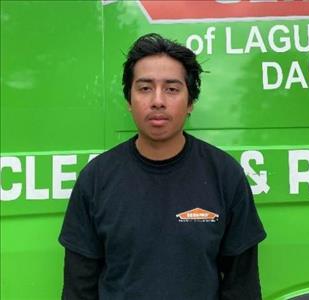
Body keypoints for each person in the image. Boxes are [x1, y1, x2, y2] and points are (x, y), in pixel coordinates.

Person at [59, 33, 266, 300]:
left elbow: (243, 287)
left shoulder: (224, 175)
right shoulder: (96, 179)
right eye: (145, 88)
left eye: (171, 88)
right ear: (128, 100)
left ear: (190, 102)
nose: (158, 100)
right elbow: (78, 289)